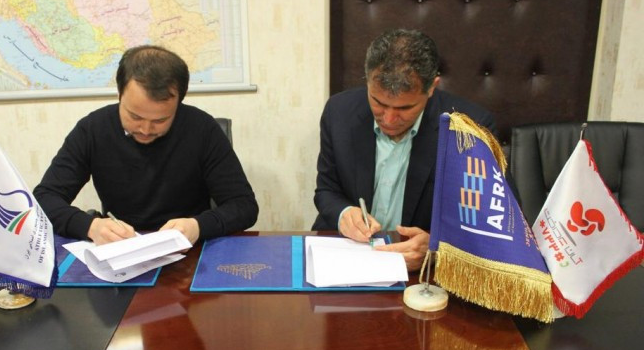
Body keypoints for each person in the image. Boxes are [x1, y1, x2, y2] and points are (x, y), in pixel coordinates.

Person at [34, 45, 258, 246]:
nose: (145, 129)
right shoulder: (92, 129)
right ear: (120, 94)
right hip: (121, 250)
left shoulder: (203, 129)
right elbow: (44, 198)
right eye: (135, 116)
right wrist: (90, 226)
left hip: (188, 252)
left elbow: (243, 205)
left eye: (160, 120)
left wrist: (197, 226)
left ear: (179, 103)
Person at [312, 29, 496, 271]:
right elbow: (327, 190)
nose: (388, 119)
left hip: (421, 271)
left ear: (432, 88)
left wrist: (438, 247)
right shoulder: (339, 112)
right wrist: (343, 213)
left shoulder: (469, 129)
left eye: (405, 108)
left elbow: (493, 222)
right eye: (378, 102)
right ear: (367, 81)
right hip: (346, 254)